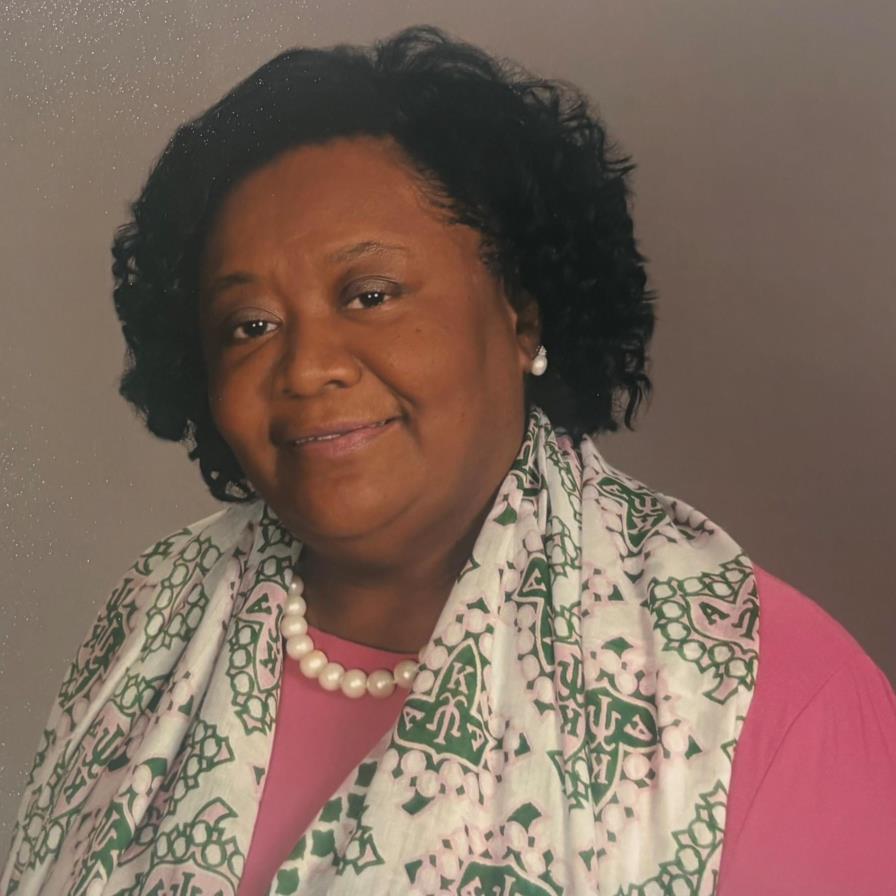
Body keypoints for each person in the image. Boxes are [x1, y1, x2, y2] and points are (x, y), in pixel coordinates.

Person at [3, 24, 894, 896]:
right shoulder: (151, 615)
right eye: (250, 325)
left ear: (522, 313)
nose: (307, 366)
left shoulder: (765, 693)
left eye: (372, 294)